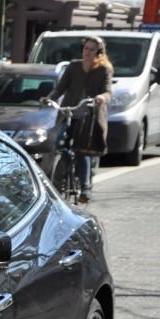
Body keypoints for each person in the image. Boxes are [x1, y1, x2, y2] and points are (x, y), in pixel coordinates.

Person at [43, 34, 112, 204]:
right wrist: (48, 98)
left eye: (92, 49)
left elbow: (108, 91)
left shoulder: (104, 69)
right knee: (57, 144)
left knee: (82, 151)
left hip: (88, 115)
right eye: (86, 48)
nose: (88, 52)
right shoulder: (74, 66)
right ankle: (55, 183)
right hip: (68, 112)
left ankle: (85, 187)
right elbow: (60, 88)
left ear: (99, 52)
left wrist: (101, 98)